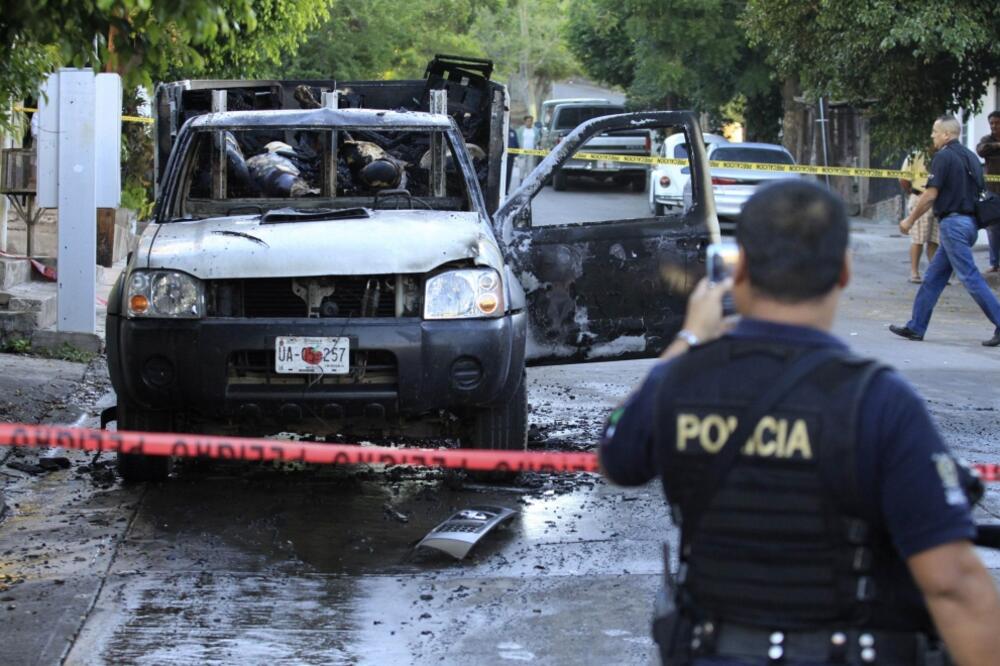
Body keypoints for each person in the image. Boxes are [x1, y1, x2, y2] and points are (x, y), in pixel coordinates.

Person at [600, 180, 1000, 665]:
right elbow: (953, 585)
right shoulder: (880, 400)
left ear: (739, 267)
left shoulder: (681, 380)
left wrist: (689, 336)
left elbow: (619, 453)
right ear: (845, 271)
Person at [890, 116, 1000, 347]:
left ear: (947, 135)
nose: (932, 136)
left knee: (970, 277)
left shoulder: (943, 157)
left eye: (935, 131)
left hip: (953, 225)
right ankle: (916, 327)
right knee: (933, 277)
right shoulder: (971, 156)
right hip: (970, 225)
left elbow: (930, 194)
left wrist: (909, 220)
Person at [899, 150, 939, 282]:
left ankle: (934, 273)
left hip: (938, 199)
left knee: (934, 239)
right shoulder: (915, 155)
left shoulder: (942, 154)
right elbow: (903, 178)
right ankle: (914, 272)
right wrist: (912, 192)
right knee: (918, 238)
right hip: (920, 196)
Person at [976, 110, 1000, 273]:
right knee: (993, 227)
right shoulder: (987, 140)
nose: (994, 126)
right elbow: (980, 150)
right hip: (993, 190)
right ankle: (994, 263)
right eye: (992, 123)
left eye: (997, 123)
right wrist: (997, 145)